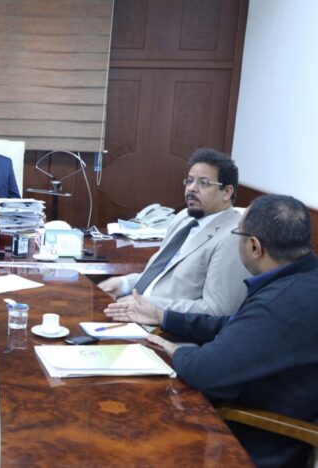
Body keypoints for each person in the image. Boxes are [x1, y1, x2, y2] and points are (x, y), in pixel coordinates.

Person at [104, 195, 318, 468]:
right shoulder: (303, 280)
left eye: (238, 235)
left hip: (252, 443)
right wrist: (165, 318)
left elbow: (205, 372)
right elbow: (237, 325)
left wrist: (176, 351)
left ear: (254, 246)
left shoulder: (278, 303)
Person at [98, 148, 249, 315]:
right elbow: (161, 275)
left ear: (226, 192)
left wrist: (149, 305)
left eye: (203, 183)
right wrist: (123, 284)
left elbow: (217, 310)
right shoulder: (184, 217)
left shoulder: (233, 238)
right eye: (189, 181)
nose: (192, 188)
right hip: (135, 310)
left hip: (163, 325)